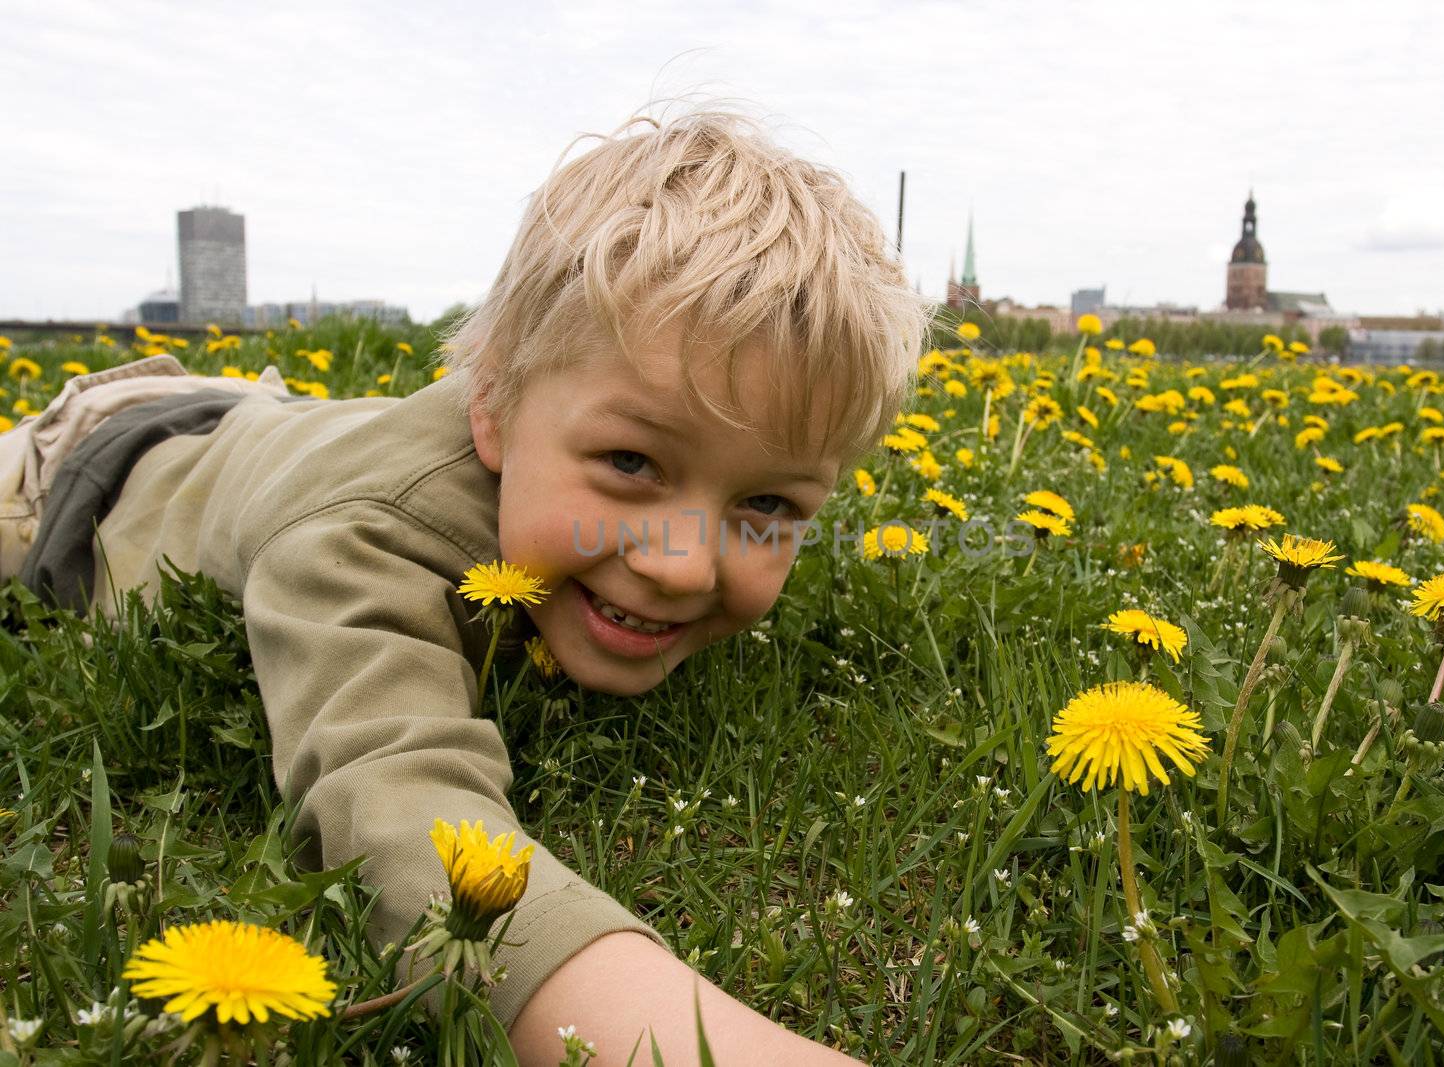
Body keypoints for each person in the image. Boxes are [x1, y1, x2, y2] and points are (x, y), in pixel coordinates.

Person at [0, 102, 930, 1064]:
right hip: (94, 461)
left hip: (266, 417)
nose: (684, 563)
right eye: (631, 462)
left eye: (767, 505)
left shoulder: (557, 417)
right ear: (492, 407)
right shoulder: (363, 541)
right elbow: (400, 814)